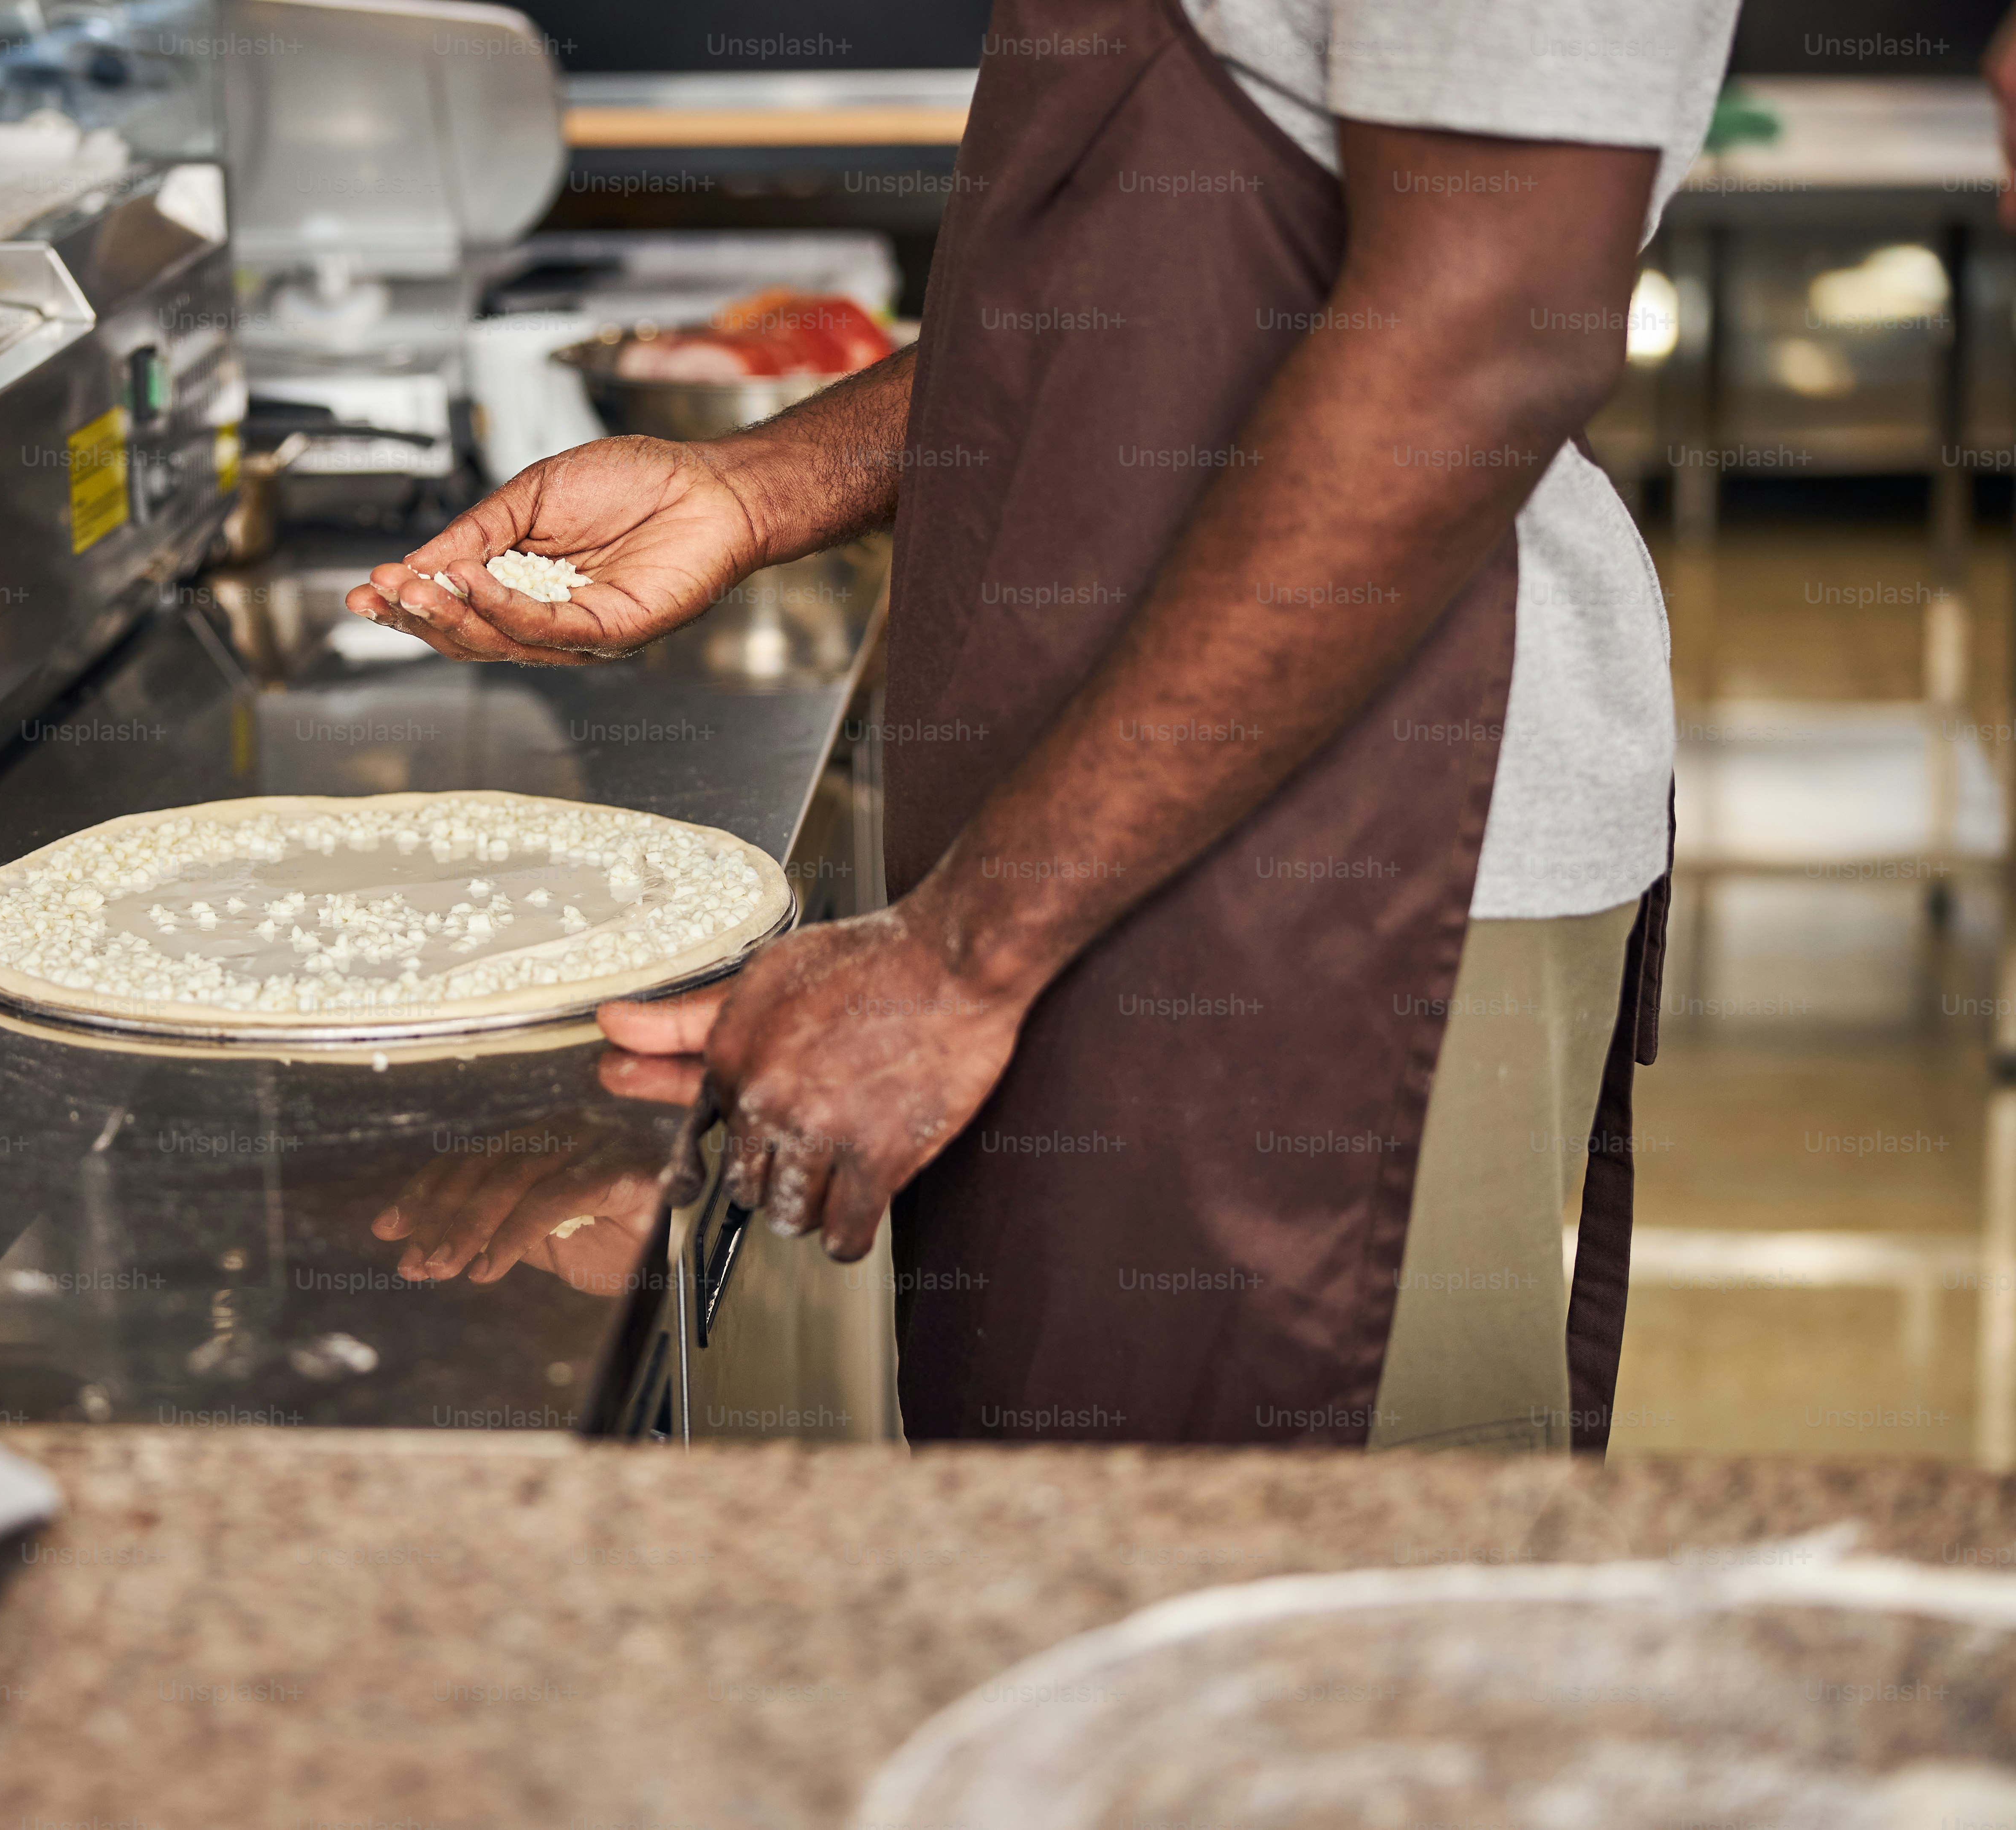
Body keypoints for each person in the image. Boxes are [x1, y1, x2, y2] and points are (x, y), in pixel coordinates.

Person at [347, 0, 1742, 1452]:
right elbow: (1153, 302)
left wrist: (960, 958)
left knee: (1283, 1606)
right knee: (1064, 1527)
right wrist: (763, 487)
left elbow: (1481, 331)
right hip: (1091, 830)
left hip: (1354, 863)